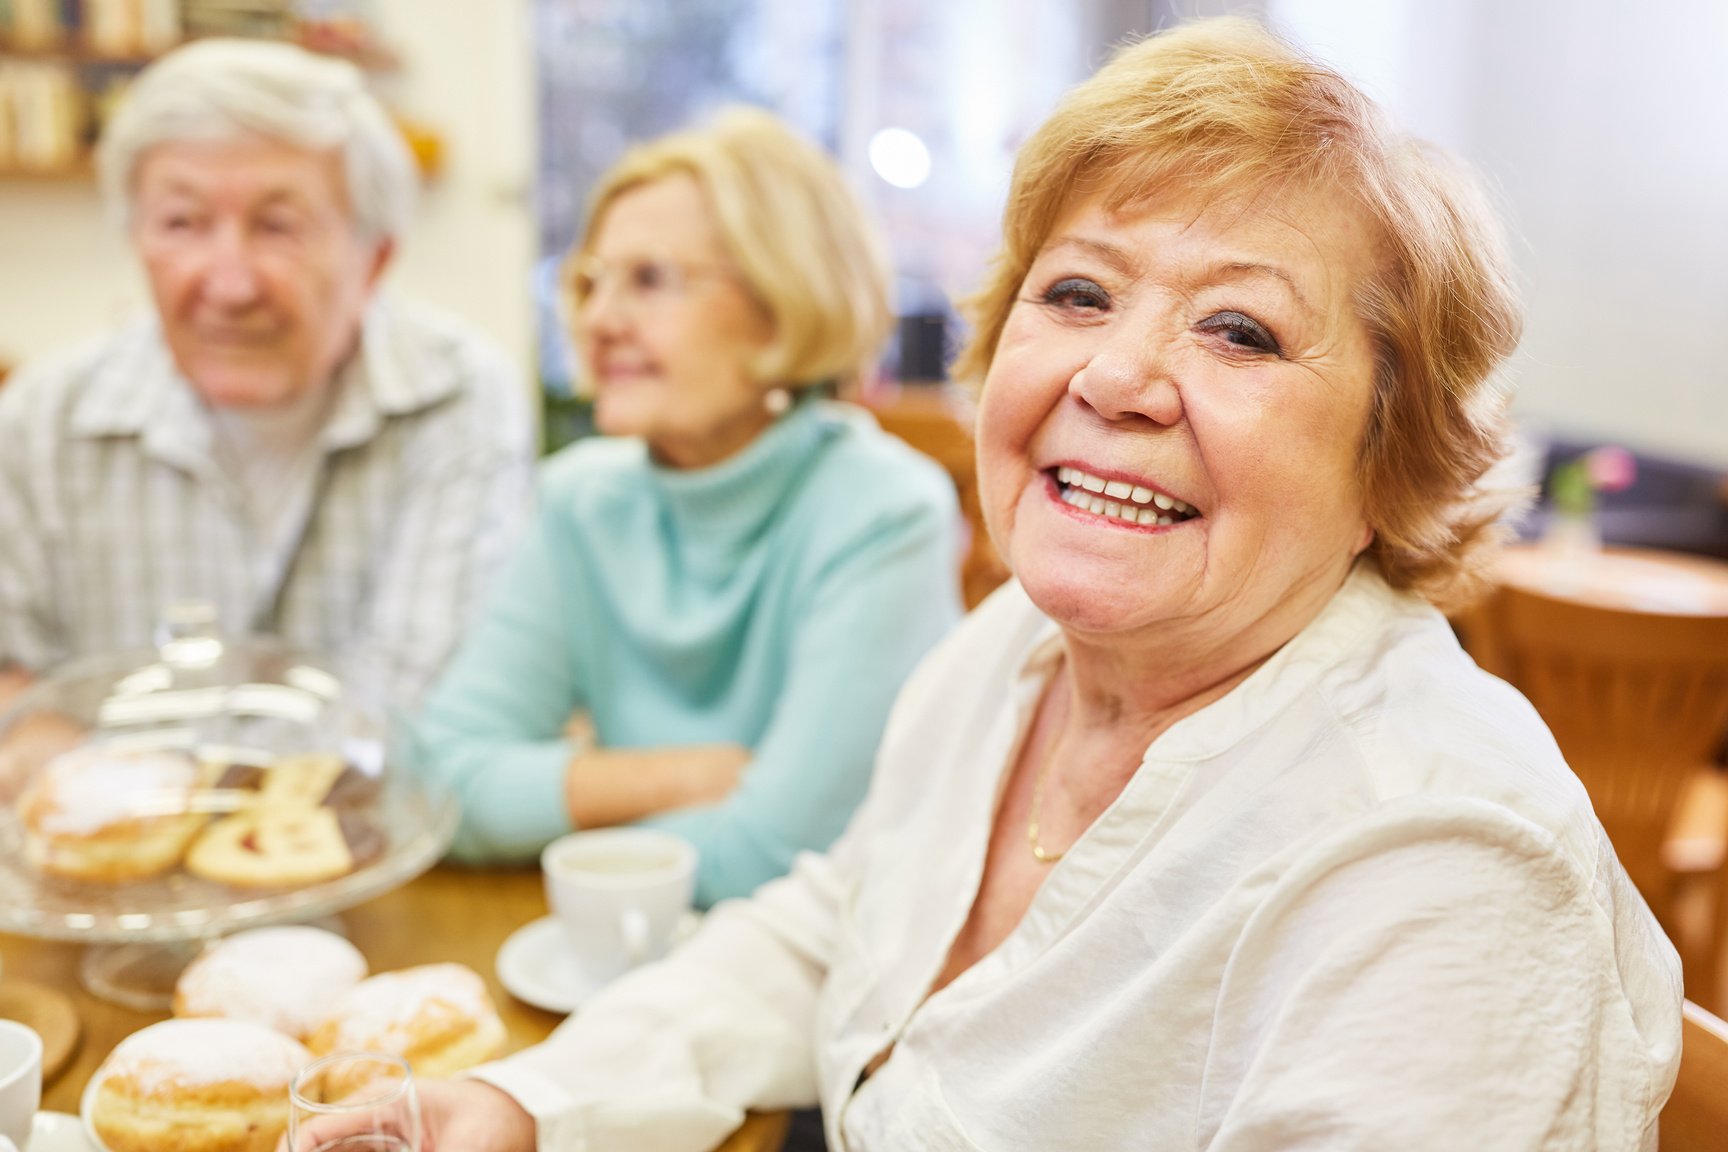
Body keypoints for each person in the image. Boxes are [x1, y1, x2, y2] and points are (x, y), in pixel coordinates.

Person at [296, 18, 1681, 1152]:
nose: (1117, 376)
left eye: (1241, 329)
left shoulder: (1440, 870)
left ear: (1397, 455)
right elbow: (837, 925)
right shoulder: (1010, 649)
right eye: (1078, 294)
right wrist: (535, 1102)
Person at [407, 107, 962, 906]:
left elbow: (778, 849)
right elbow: (441, 786)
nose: (599, 320)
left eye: (651, 280)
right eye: (590, 281)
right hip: (623, 951)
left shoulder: (884, 511)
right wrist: (695, 775)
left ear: (783, 300)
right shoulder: (582, 499)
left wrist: (550, 816)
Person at [0, 39, 534, 717]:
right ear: (136, 240)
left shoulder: (460, 400)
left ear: (375, 259)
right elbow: (14, 686)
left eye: (278, 226)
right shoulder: (38, 421)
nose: (229, 283)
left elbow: (423, 706)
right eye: (182, 223)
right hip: (103, 820)